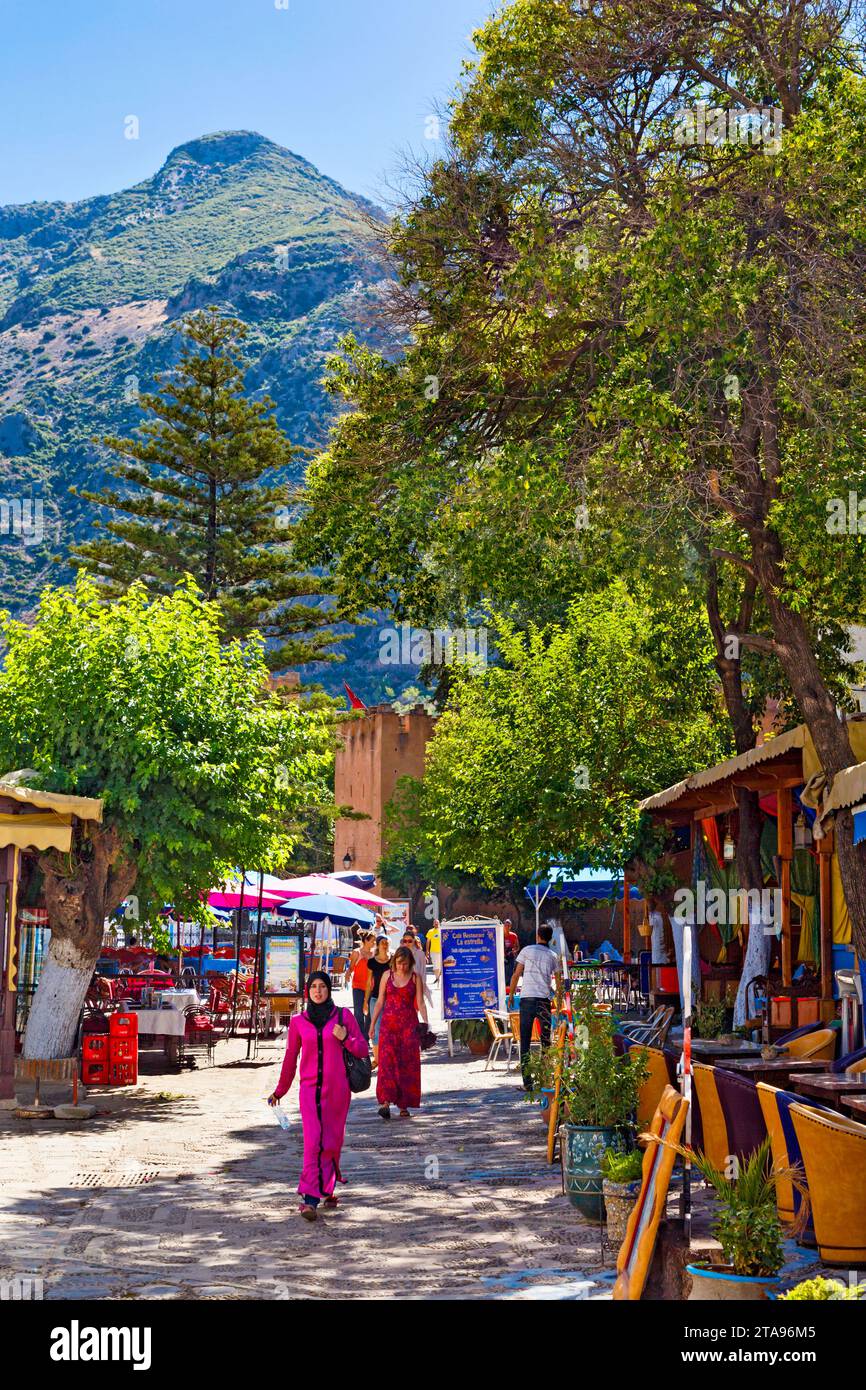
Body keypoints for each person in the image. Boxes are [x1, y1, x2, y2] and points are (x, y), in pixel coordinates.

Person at [267, 971, 369, 1222]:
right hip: (310, 1092)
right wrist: (280, 1090)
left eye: (322, 986)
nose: (318, 991)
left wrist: (346, 1038)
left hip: (338, 1091)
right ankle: (310, 1199)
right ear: (307, 991)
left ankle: (328, 1187)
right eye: (313, 986)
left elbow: (362, 1049)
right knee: (313, 1142)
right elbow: (290, 1059)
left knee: (332, 1142)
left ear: (328, 990)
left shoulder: (343, 1016)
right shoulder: (299, 1022)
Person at [371, 944, 427, 1119]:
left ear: (410, 963)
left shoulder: (415, 978)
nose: (402, 967)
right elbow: (380, 1001)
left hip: (409, 1027)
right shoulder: (387, 976)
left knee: (407, 1065)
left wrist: (426, 1023)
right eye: (399, 963)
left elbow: (421, 1002)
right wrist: (372, 1024)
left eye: (405, 963)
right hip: (388, 1026)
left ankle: (404, 1105)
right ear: (394, 962)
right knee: (386, 1063)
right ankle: (385, 1103)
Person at [507, 924, 561, 1089]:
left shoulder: (527, 950)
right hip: (544, 1001)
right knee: (546, 1041)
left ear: (538, 935)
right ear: (550, 938)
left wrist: (510, 996)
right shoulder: (553, 955)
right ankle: (546, 1079)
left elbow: (516, 974)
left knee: (525, 1041)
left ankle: (527, 1083)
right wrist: (558, 1003)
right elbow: (558, 981)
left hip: (527, 1000)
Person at [365, 935, 392, 1069]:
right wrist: (365, 1001)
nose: (385, 944)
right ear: (377, 945)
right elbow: (369, 982)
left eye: (387, 942)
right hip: (375, 999)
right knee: (375, 1028)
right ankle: (377, 1059)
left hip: (391, 999)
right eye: (382, 942)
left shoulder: (393, 960)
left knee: (390, 1028)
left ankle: (388, 1057)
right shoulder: (372, 962)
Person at [348, 930, 375, 1037]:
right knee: (358, 1012)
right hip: (358, 986)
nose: (374, 943)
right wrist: (347, 974)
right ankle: (360, 1035)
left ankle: (366, 1035)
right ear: (366, 941)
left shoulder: (374, 954)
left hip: (371, 987)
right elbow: (351, 967)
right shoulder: (357, 952)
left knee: (369, 1013)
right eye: (372, 941)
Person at [402, 929, 433, 1008]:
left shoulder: (420, 954)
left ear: (413, 941)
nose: (407, 943)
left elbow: (423, 972)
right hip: (403, 986)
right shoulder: (400, 953)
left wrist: (422, 986)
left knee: (415, 1009)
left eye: (410, 941)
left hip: (416, 985)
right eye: (405, 941)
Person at [502, 919, 520, 985]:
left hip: (510, 956)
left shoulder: (514, 936)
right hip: (501, 956)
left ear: (510, 927)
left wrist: (513, 951)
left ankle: (509, 987)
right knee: (502, 972)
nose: (507, 927)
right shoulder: (499, 935)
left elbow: (518, 947)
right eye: (505, 925)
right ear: (503, 926)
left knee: (510, 972)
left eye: (508, 925)